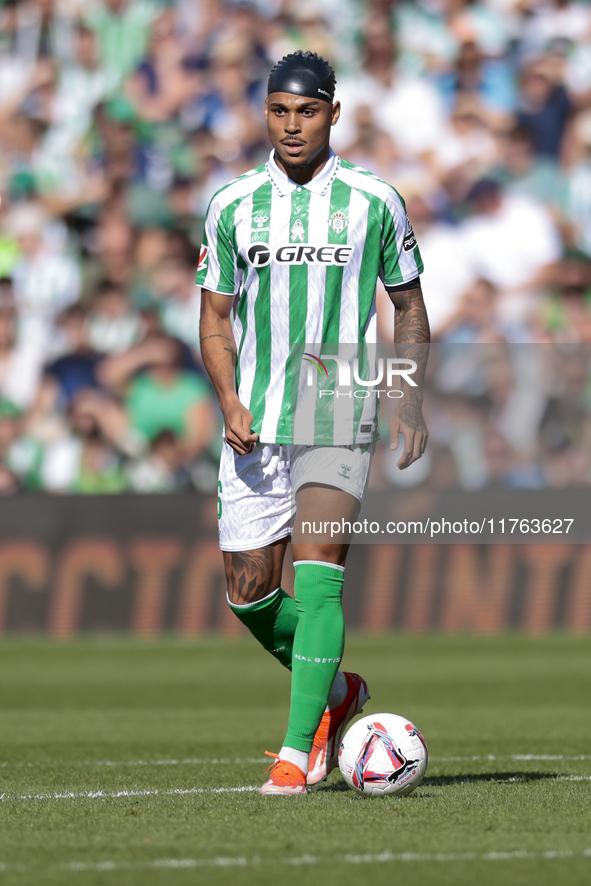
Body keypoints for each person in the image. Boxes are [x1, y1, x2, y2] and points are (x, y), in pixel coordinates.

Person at [198, 51, 429, 797]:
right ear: (264, 113)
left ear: (333, 112)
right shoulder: (232, 203)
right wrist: (230, 398)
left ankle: (295, 755)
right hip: (254, 414)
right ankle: (336, 691)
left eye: (306, 111)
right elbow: (214, 319)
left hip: (336, 394)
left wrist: (408, 397)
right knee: (248, 593)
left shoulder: (373, 200)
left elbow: (409, 306)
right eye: (278, 110)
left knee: (318, 578)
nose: (291, 125)